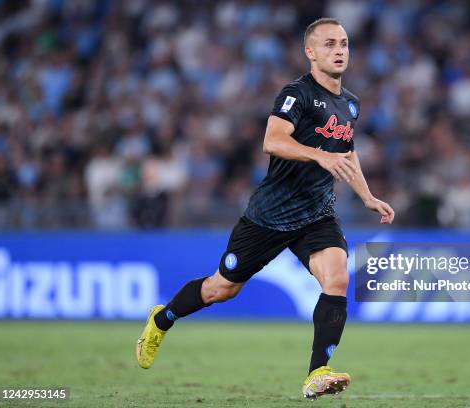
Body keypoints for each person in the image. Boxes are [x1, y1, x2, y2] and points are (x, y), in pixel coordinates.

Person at [136, 17, 395, 399]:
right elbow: (272, 141)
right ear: (310, 52)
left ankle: (316, 373)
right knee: (221, 290)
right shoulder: (297, 94)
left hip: (317, 214)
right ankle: (162, 319)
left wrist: (368, 196)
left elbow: (348, 155)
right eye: (329, 44)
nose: (339, 51)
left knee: (337, 279)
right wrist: (317, 156)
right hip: (270, 216)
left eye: (343, 44)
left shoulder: (350, 105)